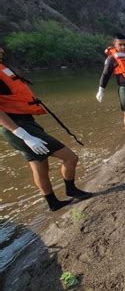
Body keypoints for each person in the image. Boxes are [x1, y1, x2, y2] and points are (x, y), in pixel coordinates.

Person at [0, 46, 92, 211]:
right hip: (17, 127)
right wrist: (24, 135)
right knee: (70, 158)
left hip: (25, 122)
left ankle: (53, 203)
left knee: (39, 165)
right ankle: (71, 190)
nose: (1, 50)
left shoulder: (3, 68)